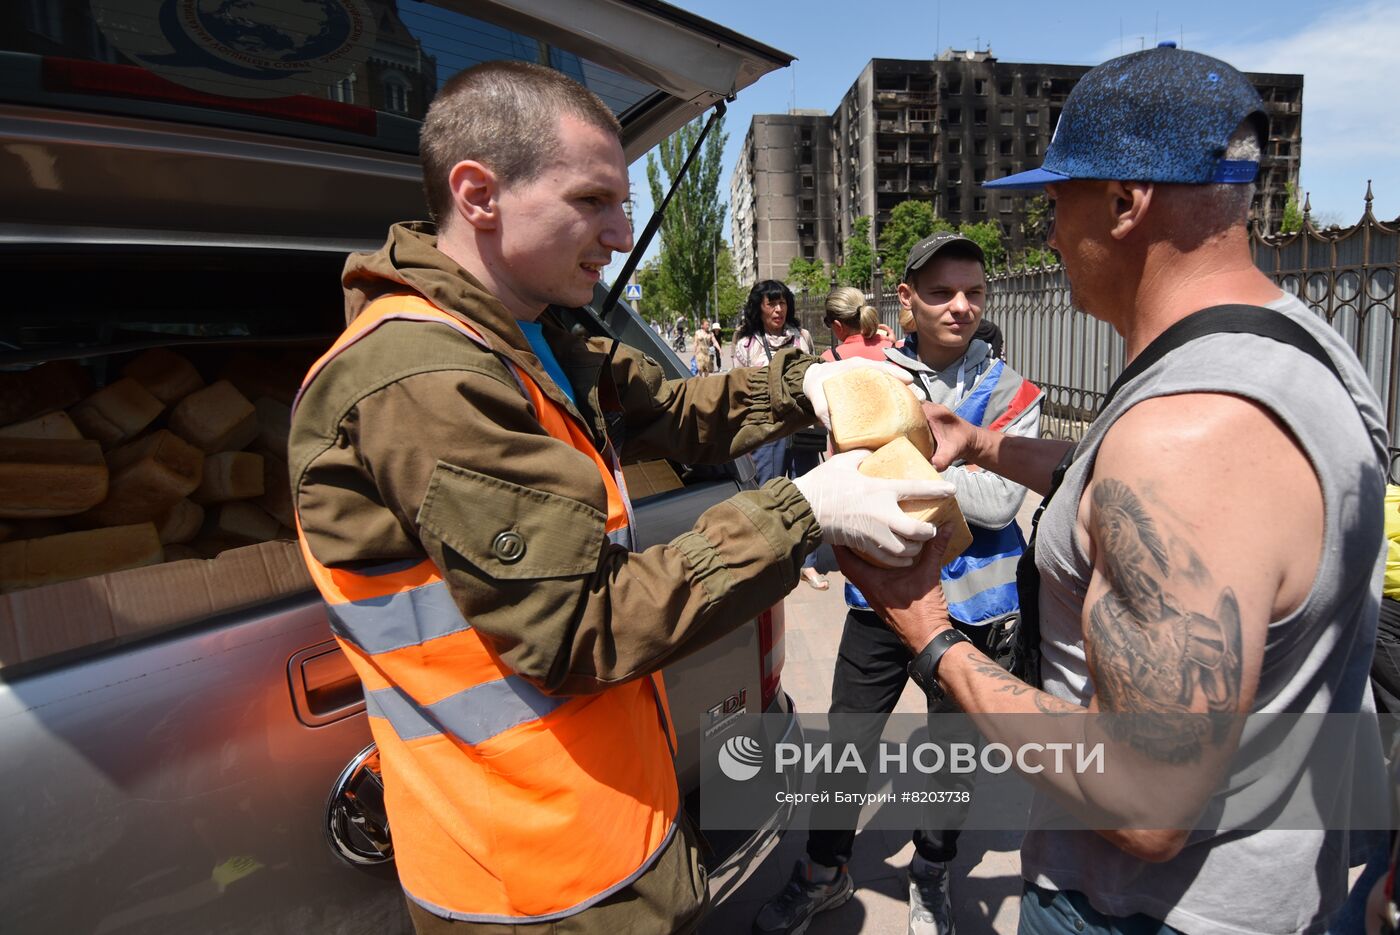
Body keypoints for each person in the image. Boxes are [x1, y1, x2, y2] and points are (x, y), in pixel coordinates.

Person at [288, 60, 953, 935]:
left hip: (612, 819)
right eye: (594, 200)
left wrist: (813, 386)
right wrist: (802, 511)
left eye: (624, 202)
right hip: (533, 877)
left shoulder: (531, 333)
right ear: (479, 194)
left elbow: (672, 409)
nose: (620, 229)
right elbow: (579, 628)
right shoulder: (425, 378)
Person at [839, 46, 1390, 935]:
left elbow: (1144, 799)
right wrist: (986, 443)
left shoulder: (1186, 437)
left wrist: (930, 636)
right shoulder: (1300, 349)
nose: (1049, 235)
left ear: (1127, 202)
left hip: (1148, 911)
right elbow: (1129, 502)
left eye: (1059, 203)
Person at [754, 236, 1041, 935]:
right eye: (942, 292)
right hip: (880, 600)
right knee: (848, 741)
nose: (962, 306)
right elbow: (847, 475)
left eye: (973, 291)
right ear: (905, 300)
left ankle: (932, 873)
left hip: (976, 610)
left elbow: (1002, 503)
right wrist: (944, 469)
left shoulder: (1014, 390)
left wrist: (894, 458)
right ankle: (824, 870)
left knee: (952, 759)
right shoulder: (868, 378)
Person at [733, 281, 820, 586]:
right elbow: (739, 392)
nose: (778, 309)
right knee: (769, 493)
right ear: (759, 307)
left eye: (782, 303)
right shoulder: (746, 344)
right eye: (771, 303)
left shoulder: (801, 337)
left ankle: (808, 561)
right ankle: (774, 558)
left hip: (802, 428)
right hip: (767, 431)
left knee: (806, 491)